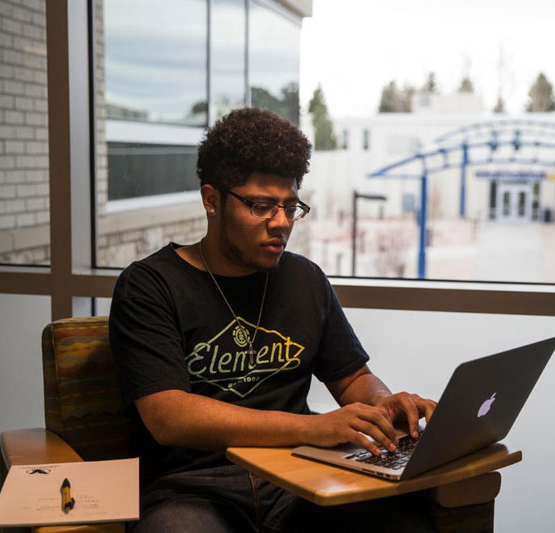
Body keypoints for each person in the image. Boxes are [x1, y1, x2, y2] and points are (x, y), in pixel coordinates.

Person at [110, 108, 438, 532]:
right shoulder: (150, 286)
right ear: (212, 200)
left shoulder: (305, 279)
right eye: (261, 206)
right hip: (192, 490)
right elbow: (170, 417)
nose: (281, 223)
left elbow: (352, 376)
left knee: (406, 522)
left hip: (298, 481)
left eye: (290, 206)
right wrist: (314, 428)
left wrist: (382, 403)